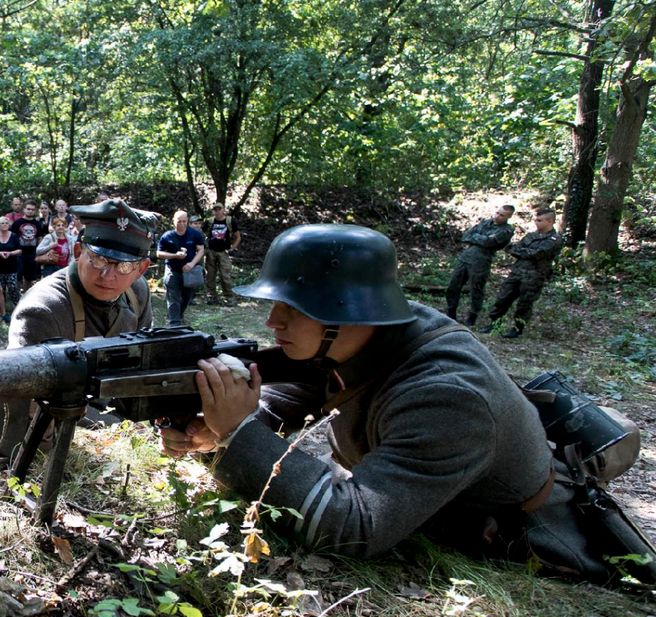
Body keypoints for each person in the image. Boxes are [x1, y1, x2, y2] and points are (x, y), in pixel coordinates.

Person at [161, 224, 558, 563]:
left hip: (486, 527)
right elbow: (299, 393)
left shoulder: (446, 398)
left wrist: (239, 430)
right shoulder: (367, 333)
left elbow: (354, 527)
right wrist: (220, 428)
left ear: (347, 312)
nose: (272, 320)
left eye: (294, 308)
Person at [8, 198, 156, 347]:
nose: (108, 276)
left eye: (125, 266)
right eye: (99, 260)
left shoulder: (137, 292)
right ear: (78, 252)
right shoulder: (42, 310)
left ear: (141, 269)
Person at [480, 208, 564, 338]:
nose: (536, 222)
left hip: (534, 276)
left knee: (525, 303)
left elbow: (538, 253)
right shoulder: (531, 236)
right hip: (517, 273)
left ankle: (517, 329)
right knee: (503, 298)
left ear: (549, 221)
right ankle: (494, 324)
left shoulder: (554, 239)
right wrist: (523, 252)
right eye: (536, 219)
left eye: (539, 220)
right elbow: (513, 249)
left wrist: (522, 252)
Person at [444, 204, 515, 325]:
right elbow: (466, 235)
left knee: (476, 289)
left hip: (481, 261)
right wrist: (480, 238)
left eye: (502, 215)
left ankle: (472, 317)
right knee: (453, 286)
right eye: (497, 213)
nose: (497, 216)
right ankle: (451, 313)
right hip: (466, 257)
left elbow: (489, 242)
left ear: (508, 217)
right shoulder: (485, 223)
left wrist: (477, 237)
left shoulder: (506, 230)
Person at [156, 210, 206, 325]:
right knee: (173, 297)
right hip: (173, 270)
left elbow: (201, 250)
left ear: (187, 221)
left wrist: (192, 264)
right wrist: (174, 256)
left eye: (184, 221)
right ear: (174, 221)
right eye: (179, 221)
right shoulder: (167, 236)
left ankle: (179, 316)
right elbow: (159, 254)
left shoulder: (195, 234)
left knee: (187, 297)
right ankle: (174, 323)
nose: (182, 224)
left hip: (189, 271)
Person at [204, 202, 241, 305]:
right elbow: (202, 233)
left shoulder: (230, 221)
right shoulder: (209, 221)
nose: (217, 211)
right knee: (210, 275)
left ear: (223, 209)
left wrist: (232, 248)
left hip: (224, 252)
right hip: (211, 251)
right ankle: (211, 297)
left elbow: (238, 236)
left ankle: (229, 297)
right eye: (215, 209)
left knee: (225, 275)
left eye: (219, 209)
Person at [0, 216, 22, 319]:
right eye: (2, 223)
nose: (4, 225)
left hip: (12, 267)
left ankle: (19, 306)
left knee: (13, 287)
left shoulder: (14, 236)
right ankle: (2, 310)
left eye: (6, 223)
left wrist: (11, 253)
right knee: (0, 289)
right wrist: (0, 253)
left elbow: (20, 250)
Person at [14, 201, 46, 292]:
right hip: (19, 254)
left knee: (30, 278)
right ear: (24, 209)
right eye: (28, 209)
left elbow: (39, 238)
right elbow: (13, 237)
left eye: (32, 209)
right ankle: (16, 297)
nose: (30, 211)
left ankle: (25, 295)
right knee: (18, 277)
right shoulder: (17, 223)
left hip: (32, 253)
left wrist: (39, 252)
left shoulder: (37, 223)